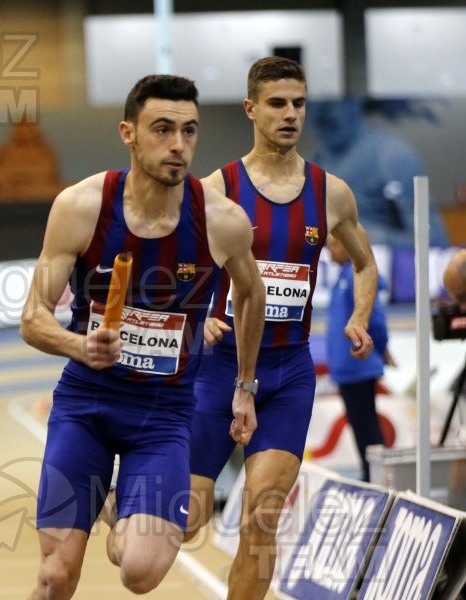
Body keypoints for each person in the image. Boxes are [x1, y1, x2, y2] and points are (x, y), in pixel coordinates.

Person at [20, 74, 265, 598]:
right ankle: (107, 499)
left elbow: (252, 293)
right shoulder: (81, 206)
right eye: (162, 129)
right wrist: (78, 345)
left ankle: (114, 503)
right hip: (85, 404)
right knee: (57, 575)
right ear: (128, 133)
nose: (178, 145)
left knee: (140, 571)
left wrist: (246, 385)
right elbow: (32, 317)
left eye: (189, 131)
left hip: (163, 416)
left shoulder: (222, 222)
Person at [184, 56, 379, 600]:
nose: (290, 114)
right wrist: (202, 316)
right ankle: (124, 488)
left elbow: (364, 263)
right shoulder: (215, 189)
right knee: (185, 520)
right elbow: (174, 270)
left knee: (263, 515)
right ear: (251, 109)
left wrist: (359, 317)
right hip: (220, 372)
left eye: (298, 103)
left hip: (289, 371)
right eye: (276, 104)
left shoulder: (331, 192)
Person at [308, 97, 449, 247]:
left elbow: (434, 242)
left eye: (330, 102)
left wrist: (372, 239)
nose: (319, 112)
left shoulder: (392, 156)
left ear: (355, 101)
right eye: (310, 103)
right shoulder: (309, 165)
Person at [326, 232, 394, 482]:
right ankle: (373, 476)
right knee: (362, 426)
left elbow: (373, 317)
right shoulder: (343, 277)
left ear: (348, 246)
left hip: (358, 366)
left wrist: (382, 346)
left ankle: (377, 480)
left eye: (334, 244)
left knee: (367, 428)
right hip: (348, 368)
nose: (329, 250)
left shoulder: (357, 278)